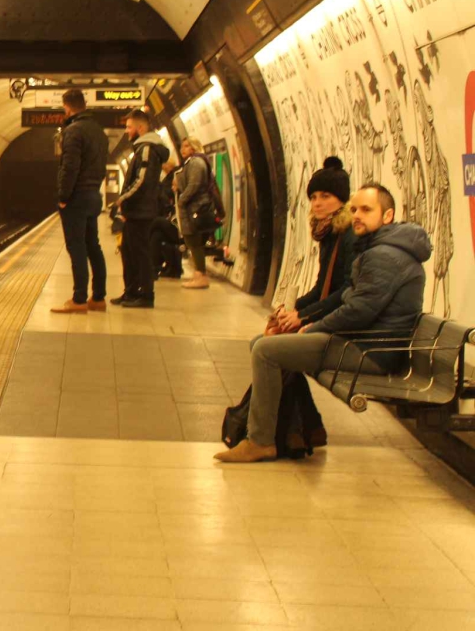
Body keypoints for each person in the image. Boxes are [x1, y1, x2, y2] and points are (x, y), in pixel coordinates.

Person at [216, 183, 430, 463]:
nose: (357, 216)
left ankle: (260, 440)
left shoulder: (384, 255)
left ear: (387, 216)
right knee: (265, 344)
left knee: (266, 351)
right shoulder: (378, 249)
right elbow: (351, 301)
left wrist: (311, 327)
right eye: (354, 209)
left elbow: (359, 310)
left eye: (366, 209)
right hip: (363, 341)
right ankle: (306, 427)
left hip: (372, 350)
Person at [268, 156, 355, 334]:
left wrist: (303, 316)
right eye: (313, 197)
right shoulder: (327, 233)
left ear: (341, 199)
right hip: (328, 314)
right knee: (270, 334)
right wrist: (290, 309)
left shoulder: (349, 235)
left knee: (267, 347)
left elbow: (347, 290)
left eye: (325, 196)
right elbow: (321, 287)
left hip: (341, 323)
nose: (317, 203)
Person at [51, 88, 109, 314]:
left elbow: (70, 167)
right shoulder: (99, 131)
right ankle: (99, 298)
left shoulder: (73, 131)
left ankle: (79, 300)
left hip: (77, 197)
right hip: (94, 194)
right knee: (93, 246)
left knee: (77, 249)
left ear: (67, 107)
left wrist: (64, 197)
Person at [112, 109, 170, 308]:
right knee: (128, 251)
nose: (127, 131)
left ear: (141, 127)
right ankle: (131, 292)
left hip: (141, 211)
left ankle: (146, 295)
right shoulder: (141, 148)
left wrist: (122, 199)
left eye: (129, 127)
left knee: (140, 254)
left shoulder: (147, 148)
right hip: (136, 210)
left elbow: (142, 180)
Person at [174, 137, 215, 289]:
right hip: (192, 208)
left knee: (194, 241)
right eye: (181, 146)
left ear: (193, 147)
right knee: (192, 242)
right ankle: (198, 274)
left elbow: (194, 185)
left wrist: (181, 200)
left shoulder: (196, 162)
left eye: (186, 146)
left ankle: (201, 275)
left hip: (195, 208)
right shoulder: (192, 162)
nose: (182, 149)